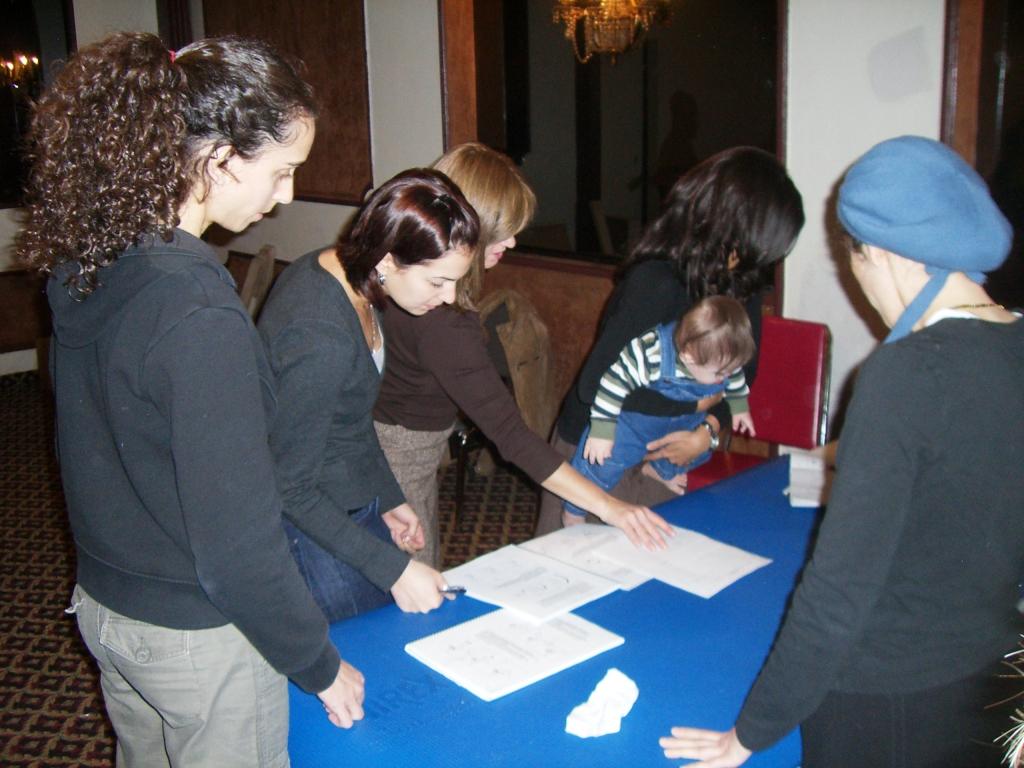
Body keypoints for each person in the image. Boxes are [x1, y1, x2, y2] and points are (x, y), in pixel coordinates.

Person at [18, 32, 361, 766]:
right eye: (282, 171)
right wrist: (317, 662)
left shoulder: (94, 260)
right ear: (220, 159)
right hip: (196, 639)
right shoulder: (197, 311)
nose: (287, 196)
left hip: (110, 609)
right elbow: (238, 544)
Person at [659, 136, 1024, 768]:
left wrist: (749, 734)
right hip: (993, 682)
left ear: (878, 252)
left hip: (887, 701)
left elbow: (837, 594)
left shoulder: (905, 375)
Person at [373, 143, 673, 568]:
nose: (512, 241)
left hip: (389, 443)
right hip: (399, 460)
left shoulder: (409, 273)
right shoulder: (445, 323)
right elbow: (513, 436)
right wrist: (609, 506)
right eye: (504, 230)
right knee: (409, 583)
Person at [537, 146, 805, 535]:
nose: (755, 262)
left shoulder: (742, 286)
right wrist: (695, 404)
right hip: (596, 447)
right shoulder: (658, 282)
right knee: (565, 563)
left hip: (665, 455)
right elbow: (594, 385)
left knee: (645, 564)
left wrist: (707, 432)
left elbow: (745, 373)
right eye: (754, 247)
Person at [259, 169, 478, 621]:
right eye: (437, 282)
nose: (449, 297)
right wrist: (393, 570)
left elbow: (352, 419)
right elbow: (287, 487)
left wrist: (389, 496)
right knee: (362, 642)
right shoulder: (319, 336)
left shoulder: (351, 275)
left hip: (338, 499)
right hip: (304, 522)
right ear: (388, 260)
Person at [565, 296, 755, 518]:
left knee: (700, 451)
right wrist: (602, 432)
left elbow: (736, 375)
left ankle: (658, 470)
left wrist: (739, 406)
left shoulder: (723, 358)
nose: (726, 377)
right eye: (721, 373)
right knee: (603, 463)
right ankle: (574, 511)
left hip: (682, 422)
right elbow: (611, 383)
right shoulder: (651, 353)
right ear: (688, 357)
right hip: (635, 423)